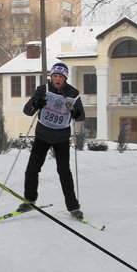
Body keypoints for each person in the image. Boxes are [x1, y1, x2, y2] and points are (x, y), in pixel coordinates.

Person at [16, 62, 85, 219]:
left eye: (60, 76)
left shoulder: (73, 93)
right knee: (32, 169)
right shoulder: (43, 90)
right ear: (51, 77)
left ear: (65, 78)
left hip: (61, 137)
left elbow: (81, 116)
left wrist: (75, 111)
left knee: (64, 172)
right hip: (43, 135)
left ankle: (73, 207)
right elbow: (27, 111)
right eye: (55, 76)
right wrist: (36, 103)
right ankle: (29, 200)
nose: (57, 79)